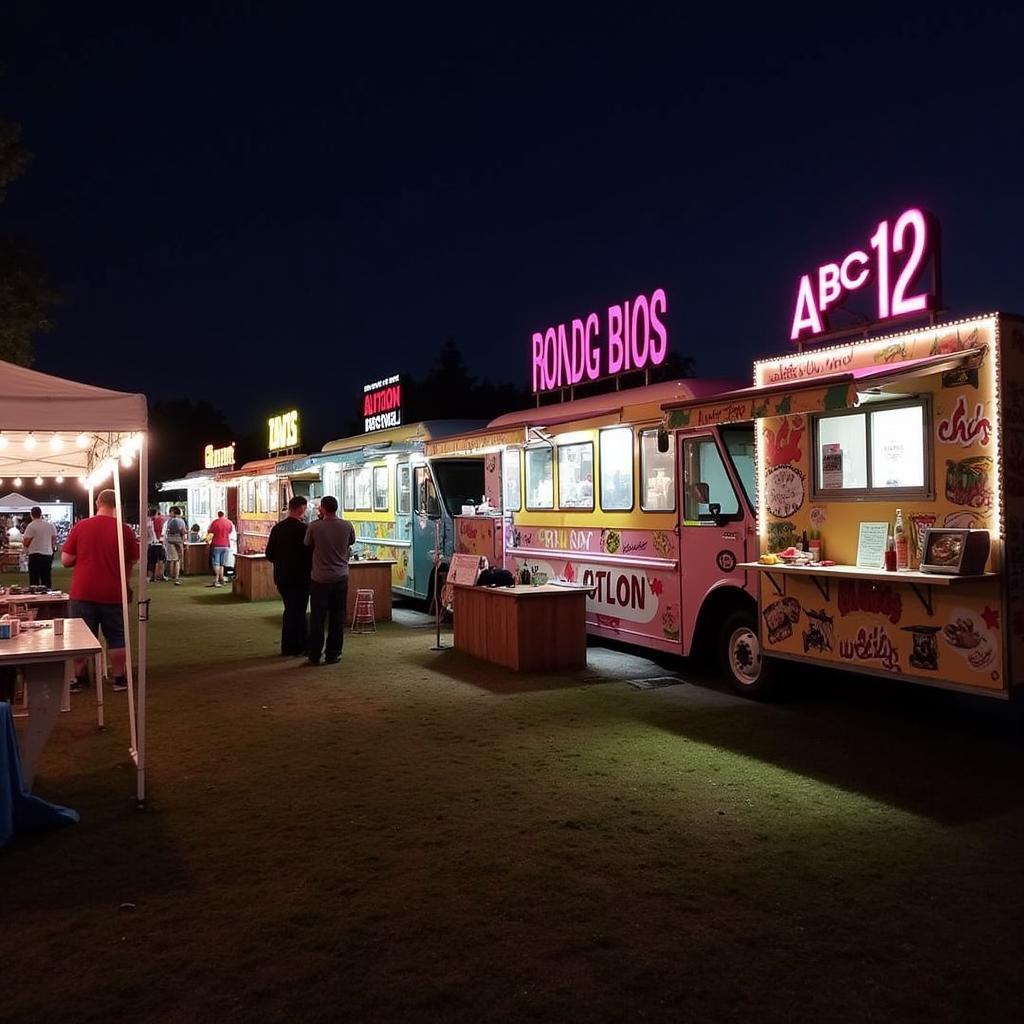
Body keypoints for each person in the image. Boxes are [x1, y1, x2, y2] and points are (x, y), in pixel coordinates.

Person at [61, 488, 140, 693]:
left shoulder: (81, 526)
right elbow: (132, 559)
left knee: (80, 637)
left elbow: (66, 560)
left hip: (83, 590)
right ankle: (119, 677)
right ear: (117, 505)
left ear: (98, 503)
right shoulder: (125, 530)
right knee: (116, 636)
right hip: (113, 591)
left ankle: (79, 677)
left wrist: (84, 555)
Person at [303, 495, 355, 665]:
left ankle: (314, 654)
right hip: (341, 576)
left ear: (323, 509)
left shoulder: (314, 526)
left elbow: (307, 543)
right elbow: (351, 542)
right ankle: (333, 653)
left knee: (317, 617)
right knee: (337, 616)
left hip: (319, 577)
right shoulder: (347, 526)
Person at [265, 495, 313, 655]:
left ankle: (288, 646)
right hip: (302, 577)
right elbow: (311, 553)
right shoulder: (304, 529)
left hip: (282, 577)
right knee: (300, 611)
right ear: (301, 509)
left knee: (290, 609)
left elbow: (269, 554)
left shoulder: (277, 528)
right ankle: (302, 645)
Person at [22, 506, 58, 589]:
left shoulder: (31, 526)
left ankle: (35, 597)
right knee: (46, 578)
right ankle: (47, 597)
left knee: (34, 580)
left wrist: (25, 544)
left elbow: (26, 542)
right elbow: (54, 539)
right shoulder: (50, 525)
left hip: (35, 554)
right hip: (47, 554)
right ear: (40, 514)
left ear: (31, 515)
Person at [206, 510, 234, 587]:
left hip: (216, 545)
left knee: (216, 563)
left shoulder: (214, 522)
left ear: (218, 515)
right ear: (224, 514)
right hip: (226, 545)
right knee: (222, 563)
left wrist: (207, 540)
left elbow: (210, 532)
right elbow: (230, 532)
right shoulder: (229, 522)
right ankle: (221, 579)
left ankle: (216, 579)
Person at [162, 506, 188, 585]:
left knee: (171, 560)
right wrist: (183, 541)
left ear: (173, 512)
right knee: (177, 560)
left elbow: (165, 532)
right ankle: (176, 577)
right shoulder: (182, 521)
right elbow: (183, 532)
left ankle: (170, 576)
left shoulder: (168, 521)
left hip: (169, 541)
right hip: (179, 541)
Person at [146, 505, 168, 582]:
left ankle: (152, 577)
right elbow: (151, 534)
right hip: (152, 543)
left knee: (151, 561)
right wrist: (156, 541)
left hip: (151, 543)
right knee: (153, 561)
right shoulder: (149, 522)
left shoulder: (149, 521)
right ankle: (153, 577)